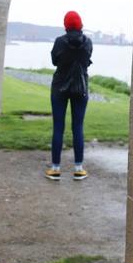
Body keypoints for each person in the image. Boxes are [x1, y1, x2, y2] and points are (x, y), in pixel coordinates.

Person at [45, 10, 92, 181]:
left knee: (58, 127)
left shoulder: (59, 42)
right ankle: (78, 168)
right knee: (77, 127)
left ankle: (55, 168)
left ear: (66, 25)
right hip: (81, 88)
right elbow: (87, 61)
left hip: (59, 88)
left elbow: (54, 61)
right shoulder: (87, 42)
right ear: (80, 24)